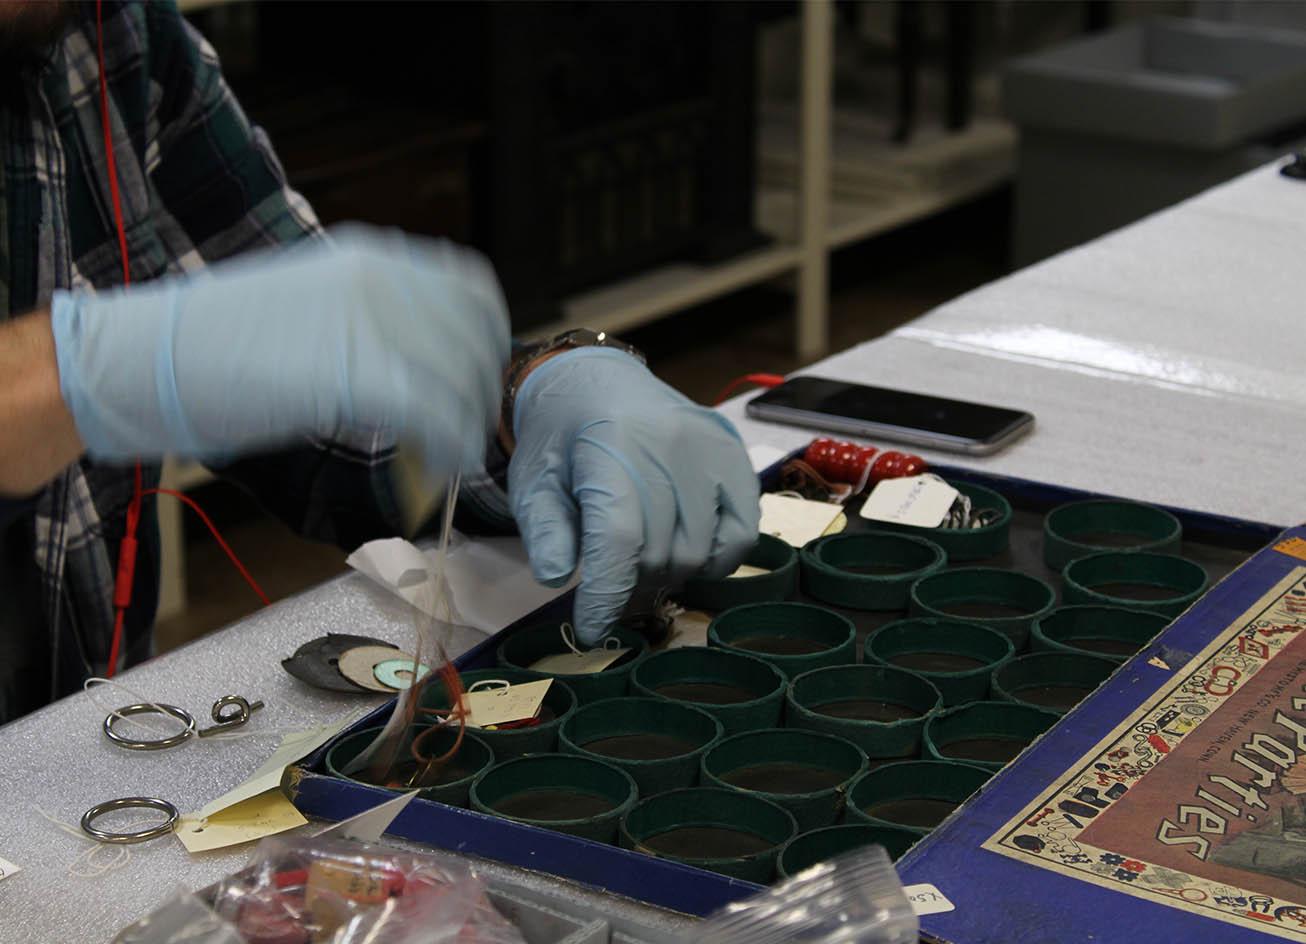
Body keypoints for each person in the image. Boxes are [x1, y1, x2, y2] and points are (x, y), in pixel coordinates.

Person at [0, 1, 759, 723]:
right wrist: (67, 376)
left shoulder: (113, 32)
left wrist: (525, 405)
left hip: (71, 749)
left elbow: (330, 390)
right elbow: (178, 353)